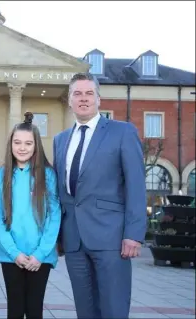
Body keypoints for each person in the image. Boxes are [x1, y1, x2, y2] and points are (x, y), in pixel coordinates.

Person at [53, 72, 147, 319]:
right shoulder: (60, 140)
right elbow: (60, 191)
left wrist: (133, 234)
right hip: (73, 240)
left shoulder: (122, 132)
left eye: (89, 93)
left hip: (112, 239)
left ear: (98, 99)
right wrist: (57, 235)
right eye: (77, 94)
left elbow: (136, 184)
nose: (83, 99)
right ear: (69, 100)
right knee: (85, 311)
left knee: (113, 309)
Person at [0, 112, 61, 319]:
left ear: (36, 146)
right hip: (12, 255)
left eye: (28, 143)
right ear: (10, 144)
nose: (22, 148)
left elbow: (53, 216)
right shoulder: (1, 176)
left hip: (41, 255)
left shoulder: (47, 175)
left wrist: (40, 254)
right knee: (15, 309)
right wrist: (14, 252)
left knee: (35, 308)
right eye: (17, 142)